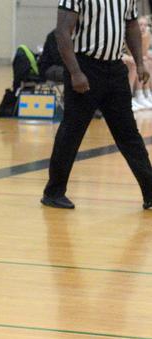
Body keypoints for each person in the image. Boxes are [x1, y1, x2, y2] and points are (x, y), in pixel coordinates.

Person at [41, 0, 152, 210]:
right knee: (71, 132)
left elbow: (131, 25)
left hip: (115, 69)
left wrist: (139, 62)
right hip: (85, 67)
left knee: (129, 135)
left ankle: (150, 192)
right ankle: (53, 192)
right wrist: (75, 72)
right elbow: (62, 32)